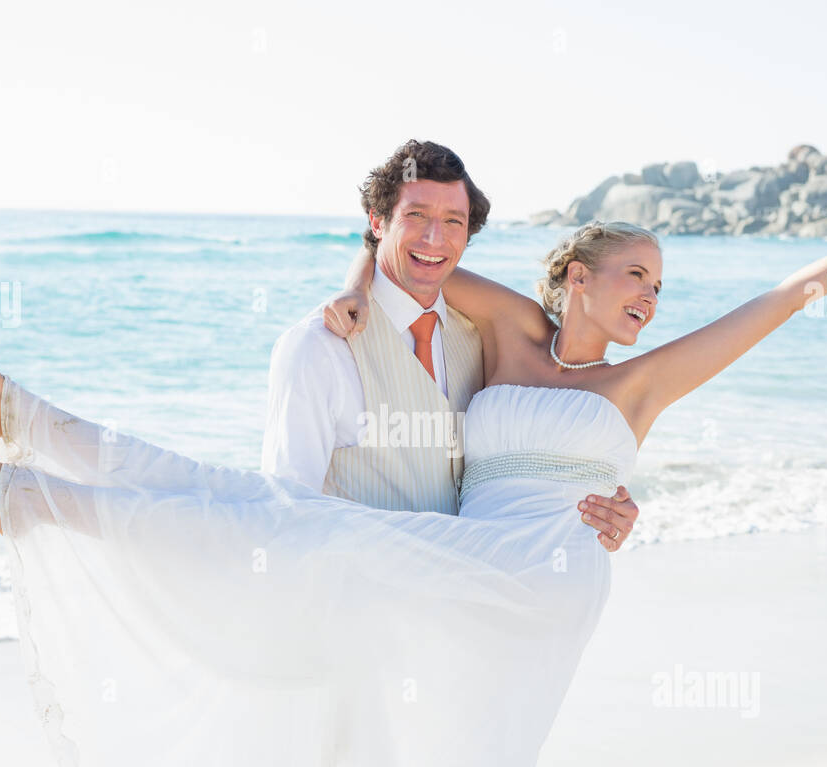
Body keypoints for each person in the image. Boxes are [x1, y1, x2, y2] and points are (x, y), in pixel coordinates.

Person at [0, 173, 827, 767]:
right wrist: (345, 289)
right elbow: (402, 251)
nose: (651, 295)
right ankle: (18, 428)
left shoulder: (644, 383)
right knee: (270, 513)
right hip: (465, 552)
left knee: (294, 534)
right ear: (577, 277)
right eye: (634, 274)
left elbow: (791, 294)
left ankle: (24, 487)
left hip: (544, 575)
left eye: (660, 281)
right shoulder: (507, 335)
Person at [261, 140, 639, 549]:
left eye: (454, 221)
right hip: (363, 600)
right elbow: (285, 511)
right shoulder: (317, 348)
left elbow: (525, 457)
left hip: (474, 591)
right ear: (377, 222)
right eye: (416, 214)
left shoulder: (480, 339)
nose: (434, 238)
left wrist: (597, 510)